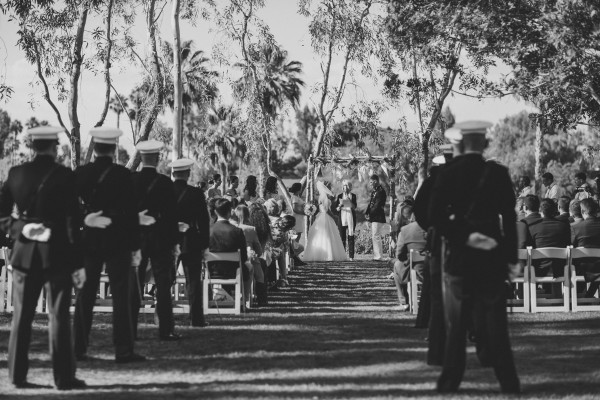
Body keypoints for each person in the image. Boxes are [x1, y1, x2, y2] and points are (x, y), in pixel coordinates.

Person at [429, 121, 520, 394]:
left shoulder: (447, 172)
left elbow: (435, 216)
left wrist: (464, 237)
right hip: (492, 256)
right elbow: (509, 217)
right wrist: (511, 258)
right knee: (496, 324)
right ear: (483, 143)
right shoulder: (497, 173)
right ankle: (509, 382)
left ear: (461, 143)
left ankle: (449, 382)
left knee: (456, 326)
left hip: (458, 256)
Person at [0, 126, 86, 390]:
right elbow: (74, 222)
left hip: (25, 253)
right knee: (58, 317)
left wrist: (20, 228)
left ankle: (16, 376)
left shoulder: (15, 174)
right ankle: (63, 378)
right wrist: (78, 263)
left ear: (32, 146)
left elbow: (2, 217)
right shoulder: (65, 176)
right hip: (57, 253)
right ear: (55, 146)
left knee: (22, 317)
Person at [73, 127, 144, 363]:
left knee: (85, 295)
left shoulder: (81, 174)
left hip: (90, 239)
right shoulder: (122, 175)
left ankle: (78, 347)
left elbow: (70, 209)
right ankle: (123, 349)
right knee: (121, 297)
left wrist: (84, 221)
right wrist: (135, 246)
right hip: (119, 240)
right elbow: (132, 213)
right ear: (113, 149)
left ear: (94, 148)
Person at [131, 140, 180, 341]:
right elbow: (172, 216)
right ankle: (165, 329)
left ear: (141, 158)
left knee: (134, 284)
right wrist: (174, 242)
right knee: (163, 284)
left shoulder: (130, 180)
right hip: (161, 238)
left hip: (137, 237)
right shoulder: (165, 183)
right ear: (157, 158)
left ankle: (130, 329)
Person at [170, 158, 210, 327]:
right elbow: (203, 221)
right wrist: (204, 244)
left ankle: (161, 315)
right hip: (191, 241)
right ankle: (196, 318)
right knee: (193, 281)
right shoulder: (196, 193)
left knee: (165, 281)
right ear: (187, 174)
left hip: (168, 241)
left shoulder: (165, 192)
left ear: (173, 174)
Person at [208, 198, 252, 304]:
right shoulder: (237, 231)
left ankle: (212, 298)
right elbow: (244, 257)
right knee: (250, 267)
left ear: (215, 212)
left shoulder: (208, 231)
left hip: (212, 271)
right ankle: (245, 299)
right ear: (230, 212)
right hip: (234, 271)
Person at [301, 181, 348, 262]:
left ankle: (319, 254)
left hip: (320, 216)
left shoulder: (320, 197)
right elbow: (326, 210)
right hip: (325, 216)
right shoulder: (324, 196)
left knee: (321, 235)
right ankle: (328, 255)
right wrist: (333, 216)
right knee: (328, 234)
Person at [234, 205, 267, 306]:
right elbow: (259, 250)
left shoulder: (232, 227)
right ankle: (262, 300)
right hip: (248, 259)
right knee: (260, 275)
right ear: (248, 216)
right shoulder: (250, 229)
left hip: (233, 260)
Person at [391, 217, 426, 311]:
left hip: (417, 271)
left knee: (397, 265)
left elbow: (399, 254)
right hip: (438, 269)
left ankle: (404, 302)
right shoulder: (437, 228)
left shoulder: (406, 230)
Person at [571, 198, 600, 298]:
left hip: (582, 267)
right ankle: (588, 295)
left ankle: (578, 296)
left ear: (582, 211)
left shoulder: (576, 227)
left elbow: (571, 247)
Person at [365, 174, 387, 261]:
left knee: (376, 235)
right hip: (374, 216)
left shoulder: (381, 191)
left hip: (378, 216)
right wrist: (367, 212)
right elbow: (371, 203)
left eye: (371, 182)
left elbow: (377, 205)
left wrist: (370, 214)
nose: (370, 184)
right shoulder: (374, 191)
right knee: (374, 235)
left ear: (375, 181)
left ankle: (379, 256)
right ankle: (377, 255)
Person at [336, 180, 357, 260]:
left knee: (351, 236)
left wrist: (350, 201)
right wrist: (339, 206)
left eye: (347, 186)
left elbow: (354, 207)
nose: (346, 188)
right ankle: (342, 255)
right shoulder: (339, 196)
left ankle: (351, 256)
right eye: (344, 186)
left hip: (351, 217)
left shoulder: (353, 196)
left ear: (350, 187)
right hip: (342, 217)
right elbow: (336, 209)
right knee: (342, 237)